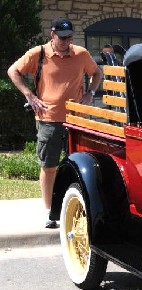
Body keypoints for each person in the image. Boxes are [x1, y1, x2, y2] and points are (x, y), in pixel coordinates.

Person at [7, 17, 103, 228]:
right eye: (62, 37)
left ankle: (75, 207)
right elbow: (13, 71)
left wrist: (90, 93)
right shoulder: (38, 54)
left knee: (77, 166)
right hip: (48, 120)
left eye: (69, 37)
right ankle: (50, 212)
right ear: (52, 34)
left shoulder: (81, 54)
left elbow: (96, 73)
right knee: (49, 167)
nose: (66, 41)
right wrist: (29, 96)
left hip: (76, 120)